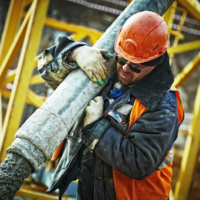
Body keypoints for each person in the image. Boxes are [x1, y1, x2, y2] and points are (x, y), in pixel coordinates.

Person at [38, 11, 184, 200]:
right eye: (122, 59)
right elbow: (45, 68)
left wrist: (96, 126)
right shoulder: (106, 68)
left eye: (135, 66)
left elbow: (140, 162)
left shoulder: (164, 105)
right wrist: (74, 53)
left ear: (154, 64)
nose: (124, 69)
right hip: (91, 190)